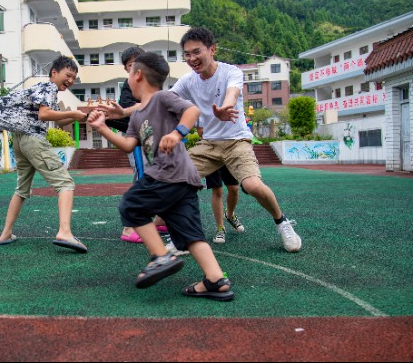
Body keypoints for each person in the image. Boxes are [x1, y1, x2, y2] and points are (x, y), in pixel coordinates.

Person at [88, 52, 233, 300]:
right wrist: (101, 127)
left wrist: (176, 134)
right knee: (189, 233)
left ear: (137, 75)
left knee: (131, 205)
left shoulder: (162, 98)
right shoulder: (136, 115)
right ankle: (215, 279)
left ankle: (161, 256)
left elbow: (192, 111)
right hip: (182, 180)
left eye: (129, 73)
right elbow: (128, 145)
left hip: (168, 172)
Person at [171, 27, 302, 253]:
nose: (192, 59)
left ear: (212, 50)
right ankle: (182, 236)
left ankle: (282, 223)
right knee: (173, 181)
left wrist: (225, 107)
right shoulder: (188, 81)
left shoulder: (231, 72)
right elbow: (164, 100)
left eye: (197, 52)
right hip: (208, 144)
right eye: (187, 54)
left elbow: (232, 93)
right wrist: (126, 112)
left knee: (252, 185)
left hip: (236, 141)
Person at [0, 56, 89, 253]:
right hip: (33, 139)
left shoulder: (43, 90)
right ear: (54, 72)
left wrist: (78, 116)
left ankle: (6, 233)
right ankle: (64, 232)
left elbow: (57, 120)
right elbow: (44, 115)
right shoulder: (48, 87)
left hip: (19, 140)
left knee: (21, 189)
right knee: (65, 184)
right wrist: (72, 114)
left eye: (73, 78)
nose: (70, 81)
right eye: (68, 75)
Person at [105, 47, 168, 244]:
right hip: (138, 140)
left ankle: (160, 219)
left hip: (153, 137)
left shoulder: (153, 84)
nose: (136, 69)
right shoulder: (129, 86)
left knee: (161, 177)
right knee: (143, 178)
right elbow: (126, 109)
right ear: (127, 70)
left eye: (139, 63)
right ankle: (130, 226)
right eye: (131, 65)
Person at [205, 166, 244, 244]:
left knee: (234, 189)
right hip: (212, 160)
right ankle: (220, 228)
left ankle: (229, 215)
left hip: (228, 160)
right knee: (217, 191)